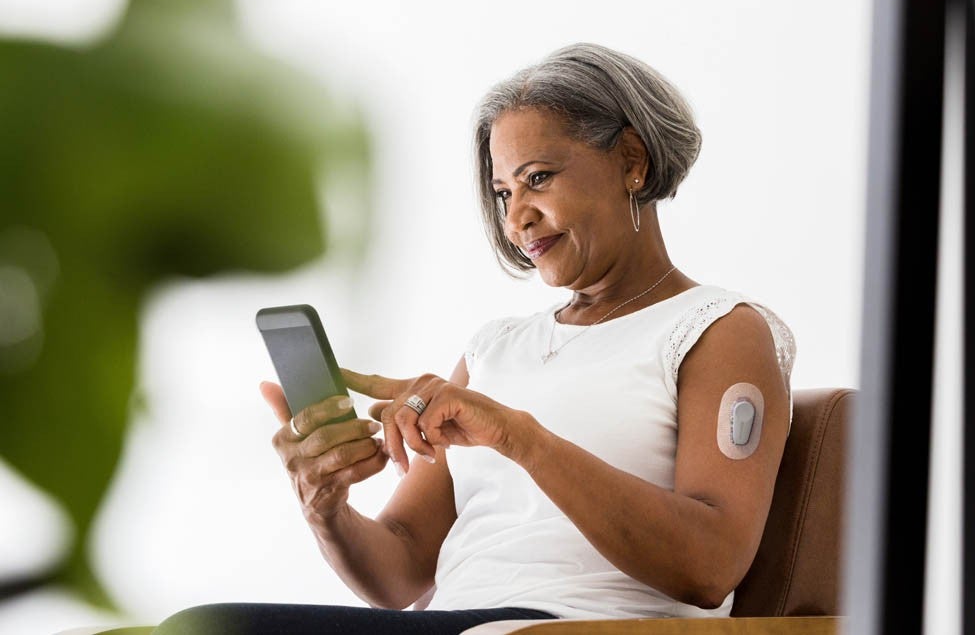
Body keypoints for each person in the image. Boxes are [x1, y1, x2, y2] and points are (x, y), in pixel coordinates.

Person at [155, 42, 796, 634]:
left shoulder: (717, 329)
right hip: (464, 623)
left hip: (571, 626)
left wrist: (518, 435)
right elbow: (399, 570)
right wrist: (326, 508)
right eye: (503, 191)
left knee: (208, 631)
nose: (516, 218)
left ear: (632, 161)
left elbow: (710, 565)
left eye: (538, 178)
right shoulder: (495, 348)